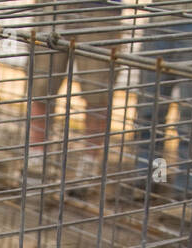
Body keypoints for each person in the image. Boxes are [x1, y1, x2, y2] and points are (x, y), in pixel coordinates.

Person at [131, 0, 192, 198]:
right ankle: (153, 176)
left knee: (191, 115)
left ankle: (186, 188)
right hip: (161, 15)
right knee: (150, 110)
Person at [24, 1, 126, 175]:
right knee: (41, 86)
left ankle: (88, 166)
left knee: (98, 90)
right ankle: (35, 159)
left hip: (101, 8)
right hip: (55, 6)